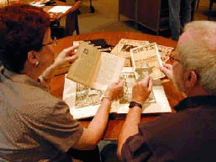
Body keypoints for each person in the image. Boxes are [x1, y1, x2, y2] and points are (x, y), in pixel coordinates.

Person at [0, 4, 123, 161]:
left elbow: (29, 91)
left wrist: (53, 67)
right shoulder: (46, 107)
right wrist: (108, 97)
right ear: (33, 57)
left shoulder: (5, 72)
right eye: (50, 41)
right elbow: (89, 141)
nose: (54, 45)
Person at [117, 20, 216, 161]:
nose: (173, 62)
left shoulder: (171, 129)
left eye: (175, 58)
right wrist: (183, 84)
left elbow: (124, 152)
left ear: (190, 77)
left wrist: (136, 102)